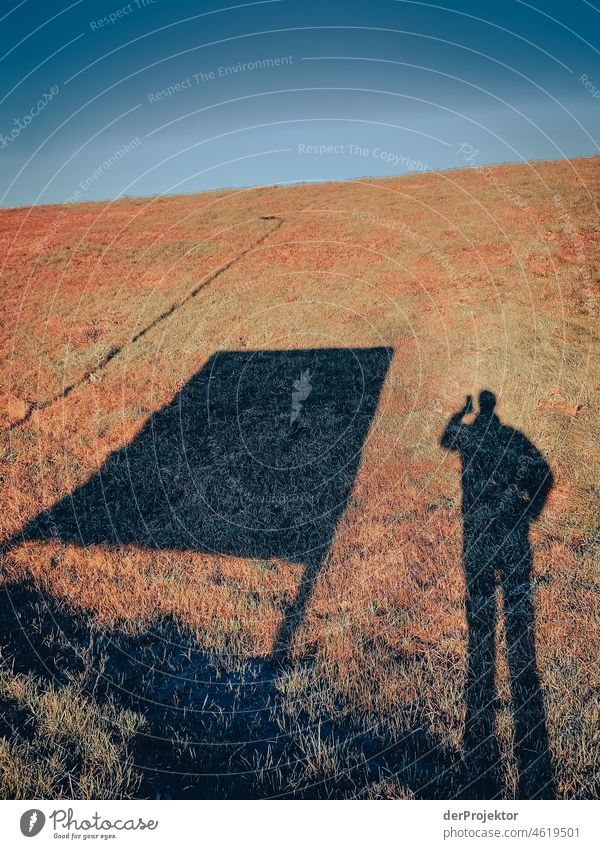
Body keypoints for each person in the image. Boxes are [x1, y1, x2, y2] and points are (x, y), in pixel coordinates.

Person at [441, 390, 555, 798]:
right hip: (503, 532)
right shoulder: (513, 438)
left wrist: (460, 414)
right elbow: (542, 472)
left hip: (485, 530)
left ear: (483, 409)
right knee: (503, 617)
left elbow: (447, 437)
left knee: (483, 620)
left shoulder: (476, 435)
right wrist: (527, 511)